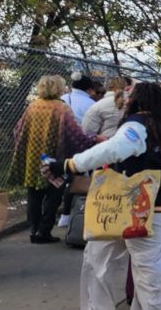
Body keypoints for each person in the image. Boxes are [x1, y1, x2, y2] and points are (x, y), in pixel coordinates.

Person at [45, 81, 161, 309]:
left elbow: (113, 149)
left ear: (136, 100)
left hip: (126, 206)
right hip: (157, 205)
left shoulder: (136, 126)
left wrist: (71, 164)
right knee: (147, 270)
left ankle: (98, 306)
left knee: (103, 263)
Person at [9, 75, 99, 243]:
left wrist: (27, 146)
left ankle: (34, 230)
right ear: (58, 88)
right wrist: (94, 139)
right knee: (54, 193)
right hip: (54, 158)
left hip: (33, 157)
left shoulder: (32, 106)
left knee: (34, 193)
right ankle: (44, 231)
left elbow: (18, 130)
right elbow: (75, 134)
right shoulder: (61, 108)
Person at [56, 76, 132, 229]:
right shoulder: (131, 105)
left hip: (103, 151)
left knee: (97, 185)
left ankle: (97, 218)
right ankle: (121, 218)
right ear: (126, 88)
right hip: (127, 150)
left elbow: (87, 130)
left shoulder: (97, 105)